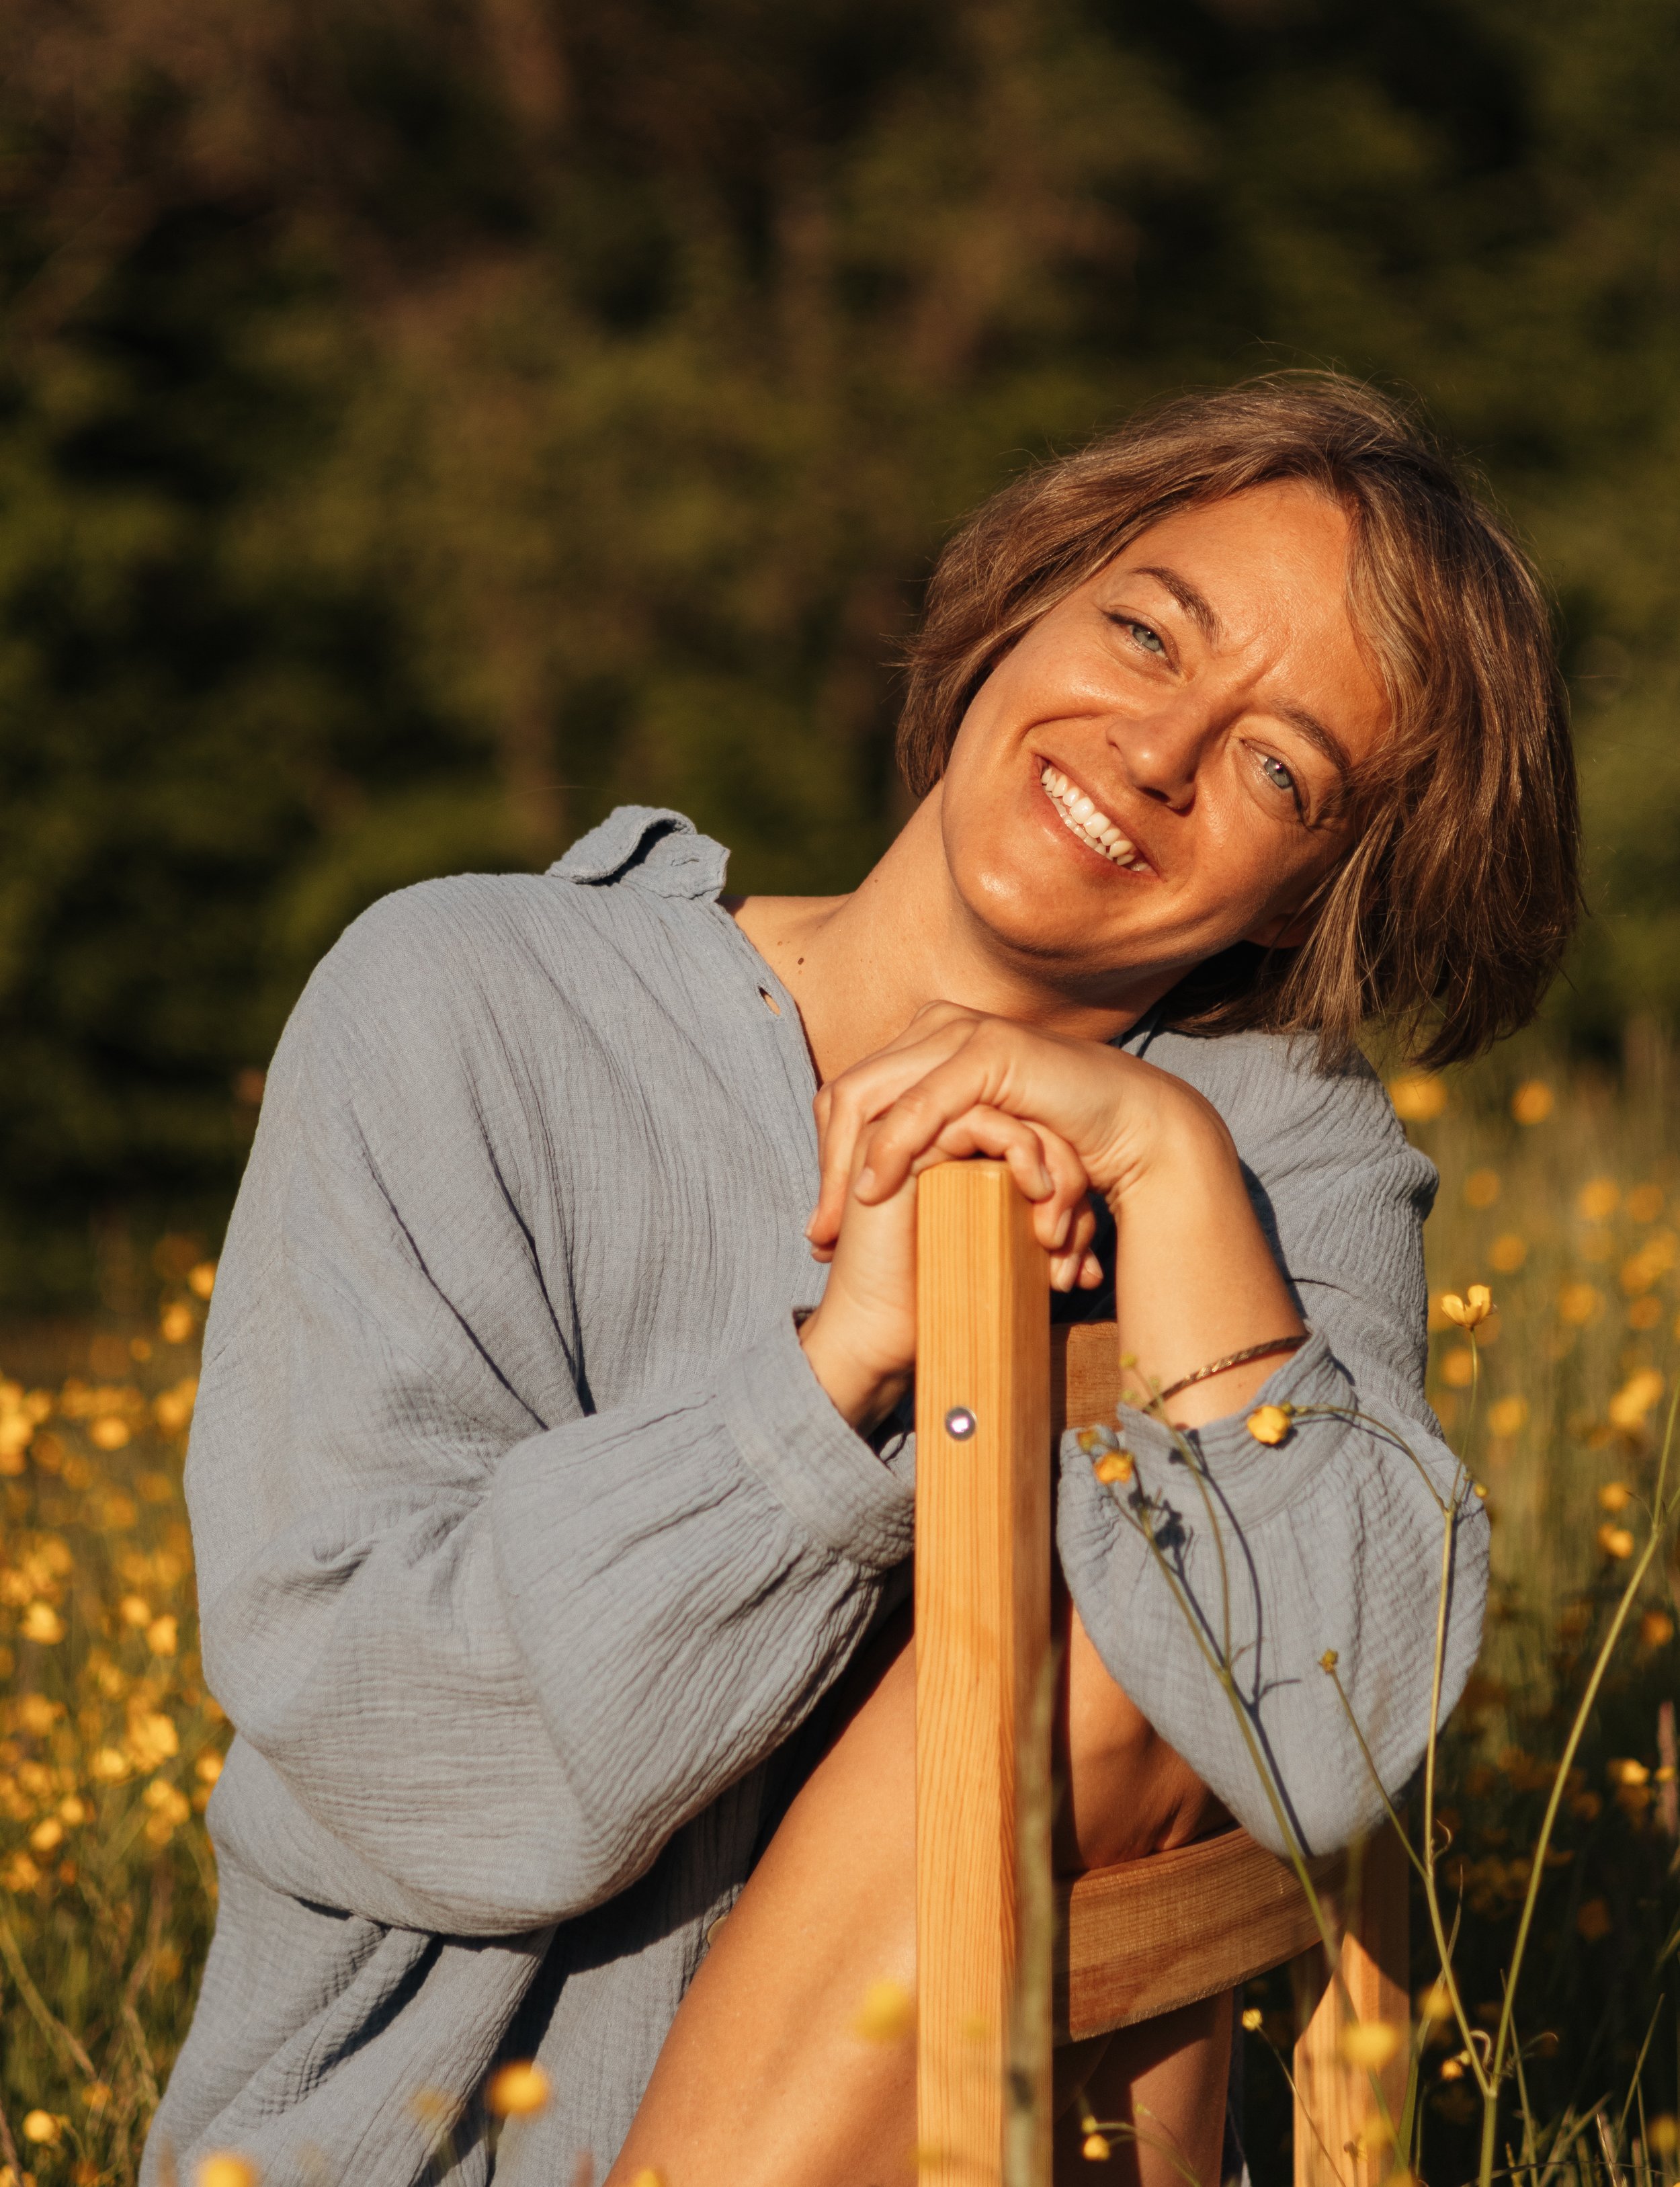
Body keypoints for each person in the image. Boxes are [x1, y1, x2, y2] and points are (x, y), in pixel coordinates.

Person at [144, 376, 1577, 2187]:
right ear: (1014, 613)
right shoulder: (465, 998)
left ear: (1309, 893)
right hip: (415, 2152)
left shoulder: (1266, 1141)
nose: (1153, 751)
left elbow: (1331, 1729)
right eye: (1142, 634)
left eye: (1277, 765)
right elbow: (378, 1747)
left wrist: (1160, 1163)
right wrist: (835, 1387)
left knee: (1125, 1614)